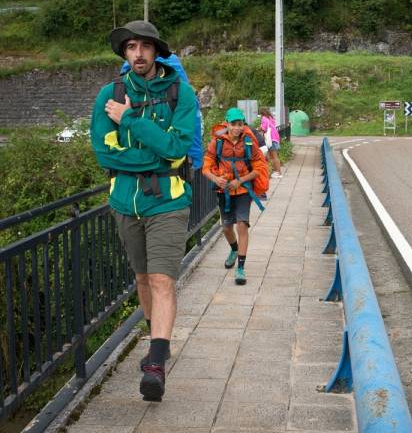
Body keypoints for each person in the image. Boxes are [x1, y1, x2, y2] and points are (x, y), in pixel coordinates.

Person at [90, 20, 195, 403]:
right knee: (142, 280)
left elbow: (175, 150)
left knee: (162, 280)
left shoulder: (179, 94)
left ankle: (155, 363)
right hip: (123, 201)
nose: (138, 53)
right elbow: (104, 153)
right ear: (124, 53)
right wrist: (150, 156)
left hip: (168, 200)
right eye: (131, 46)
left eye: (145, 46)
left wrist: (131, 120)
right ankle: (158, 340)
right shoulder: (108, 94)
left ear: (156, 51)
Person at [202, 107, 268, 285]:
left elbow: (259, 168)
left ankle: (241, 268)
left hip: (243, 190)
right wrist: (216, 179)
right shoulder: (217, 142)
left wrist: (241, 181)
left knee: (242, 225)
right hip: (224, 191)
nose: (237, 128)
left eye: (240, 124)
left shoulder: (248, 142)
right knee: (226, 227)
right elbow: (206, 167)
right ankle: (233, 249)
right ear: (227, 123)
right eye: (234, 124)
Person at [259, 106, 283, 178]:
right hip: (275, 138)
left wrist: (258, 129)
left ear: (262, 112)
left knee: (274, 156)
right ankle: (276, 171)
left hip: (271, 139)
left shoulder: (264, 118)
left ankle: (278, 173)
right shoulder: (271, 118)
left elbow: (264, 128)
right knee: (271, 156)